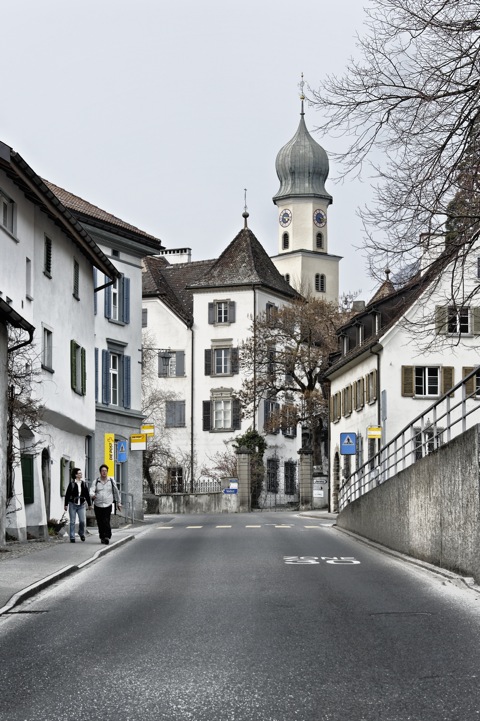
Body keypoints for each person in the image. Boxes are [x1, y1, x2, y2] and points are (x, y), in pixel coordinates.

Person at [90, 464, 122, 545]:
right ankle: (102, 537)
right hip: (98, 504)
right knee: (100, 522)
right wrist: (92, 495)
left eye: (105, 471)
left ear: (107, 472)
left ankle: (107, 536)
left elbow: (116, 492)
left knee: (106, 520)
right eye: (102, 471)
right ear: (100, 472)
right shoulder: (96, 481)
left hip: (108, 504)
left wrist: (119, 502)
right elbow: (91, 490)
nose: (104, 472)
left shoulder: (111, 481)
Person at [64, 468, 92, 543]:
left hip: (81, 505)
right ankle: (72, 537)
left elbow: (87, 494)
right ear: (76, 475)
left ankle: (81, 533)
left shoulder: (83, 483)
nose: (81, 474)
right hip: (72, 504)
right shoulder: (72, 484)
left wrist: (89, 504)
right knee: (72, 521)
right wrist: (66, 504)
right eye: (79, 473)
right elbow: (67, 495)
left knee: (82, 521)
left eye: (81, 473)